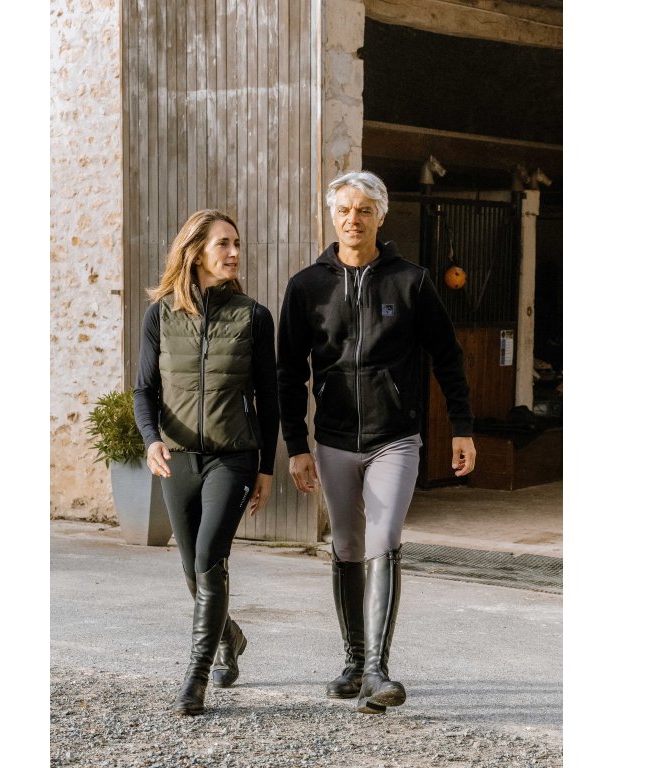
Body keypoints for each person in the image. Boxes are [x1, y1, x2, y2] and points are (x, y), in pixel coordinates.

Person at [276, 171, 476, 715]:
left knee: (383, 540)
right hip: (334, 439)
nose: (353, 219)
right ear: (332, 216)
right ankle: (352, 661)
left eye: (364, 209)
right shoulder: (306, 286)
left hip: (395, 438)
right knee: (346, 545)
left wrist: (461, 426)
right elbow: (288, 371)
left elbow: (448, 356)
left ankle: (376, 671)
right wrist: (297, 443)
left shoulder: (411, 281)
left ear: (380, 217)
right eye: (344, 209)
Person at [133, 209, 278, 716]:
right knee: (192, 570)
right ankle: (229, 636)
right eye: (223, 244)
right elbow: (144, 390)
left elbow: (269, 399)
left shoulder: (253, 316)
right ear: (195, 251)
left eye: (237, 243)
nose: (234, 252)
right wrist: (151, 440)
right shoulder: (160, 315)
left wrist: (265, 468)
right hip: (177, 459)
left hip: (232, 458)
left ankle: (195, 678)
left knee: (210, 558)